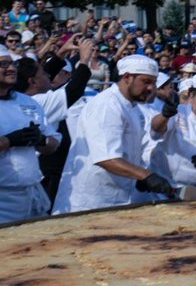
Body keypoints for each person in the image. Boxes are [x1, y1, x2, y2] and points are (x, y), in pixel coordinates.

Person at [53, 55, 174, 214]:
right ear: (127, 77)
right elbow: (107, 158)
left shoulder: (134, 108)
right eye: (146, 82)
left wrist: (139, 178)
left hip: (117, 196)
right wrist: (145, 175)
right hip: (91, 201)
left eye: (153, 82)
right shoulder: (107, 105)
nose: (152, 88)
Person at [0, 45, 60, 222]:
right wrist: (9, 141)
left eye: (12, 65)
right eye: (3, 64)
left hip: (32, 192)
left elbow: (53, 144)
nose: (11, 69)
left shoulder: (27, 102)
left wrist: (41, 140)